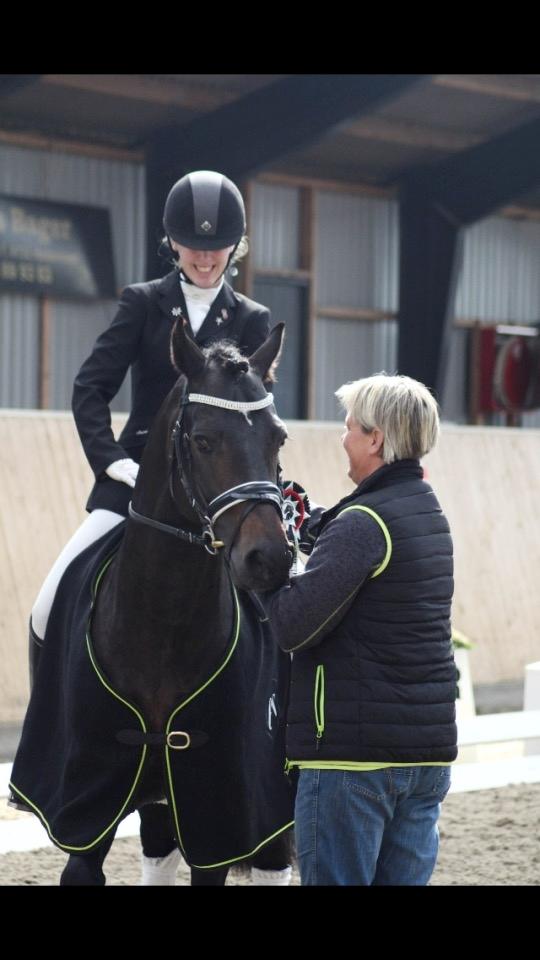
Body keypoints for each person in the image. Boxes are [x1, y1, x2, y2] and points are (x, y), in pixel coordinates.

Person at [30, 170, 271, 659]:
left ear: (236, 247)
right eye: (191, 245)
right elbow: (89, 388)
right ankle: (46, 732)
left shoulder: (252, 318)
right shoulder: (142, 303)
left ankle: (271, 726)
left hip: (221, 484)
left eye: (217, 247)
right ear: (172, 242)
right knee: (48, 603)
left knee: (276, 601)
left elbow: (257, 419)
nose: (204, 258)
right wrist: (113, 461)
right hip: (141, 475)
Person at [263, 373, 457, 885]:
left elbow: (292, 626)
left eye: (348, 427)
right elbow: (352, 544)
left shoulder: (363, 523)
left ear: (375, 439)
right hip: (424, 761)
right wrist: (301, 512)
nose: (342, 438)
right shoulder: (423, 509)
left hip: (352, 764)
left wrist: (265, 569)